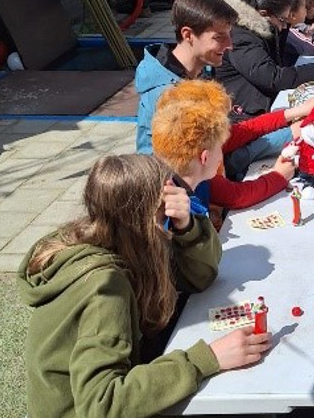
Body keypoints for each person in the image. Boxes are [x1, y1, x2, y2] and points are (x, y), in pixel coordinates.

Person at [19, 154, 272, 418]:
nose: (173, 202)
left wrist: (186, 226)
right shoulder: (104, 287)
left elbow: (200, 277)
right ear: (147, 215)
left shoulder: (121, 236)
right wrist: (208, 358)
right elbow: (101, 404)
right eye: (166, 199)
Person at [214, 0, 314, 177]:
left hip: (256, 112)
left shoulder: (261, 31)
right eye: (283, 21)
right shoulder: (243, 39)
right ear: (264, 14)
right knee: (309, 133)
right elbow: (273, 77)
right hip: (244, 117)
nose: (284, 26)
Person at [152, 80, 314, 218]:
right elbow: (238, 196)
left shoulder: (194, 146)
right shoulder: (201, 177)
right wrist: (279, 175)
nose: (227, 133)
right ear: (204, 157)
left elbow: (250, 128)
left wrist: (297, 111)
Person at [135, 0, 237, 155]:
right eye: (219, 37)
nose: (230, 45)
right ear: (188, 35)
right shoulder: (166, 97)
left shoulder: (201, 71)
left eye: (229, 35)